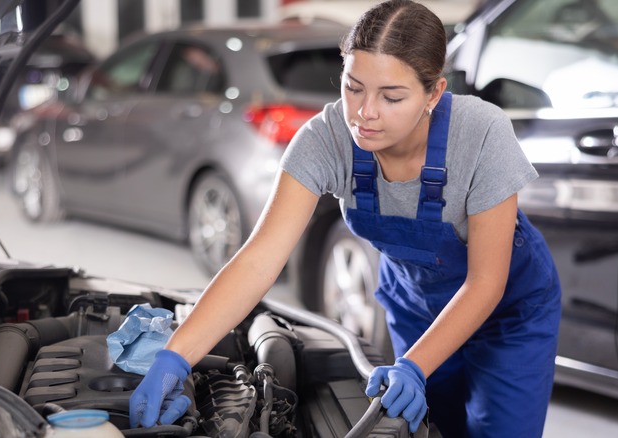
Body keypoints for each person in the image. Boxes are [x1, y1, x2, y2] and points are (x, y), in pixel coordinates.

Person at [128, 0, 561, 436]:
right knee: (433, 428)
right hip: (415, 307)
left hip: (509, 312)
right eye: (353, 87)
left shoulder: (482, 134)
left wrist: (411, 366)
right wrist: (175, 356)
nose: (364, 113)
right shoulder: (326, 139)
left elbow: (486, 282)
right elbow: (259, 258)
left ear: (434, 93)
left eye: (391, 96)